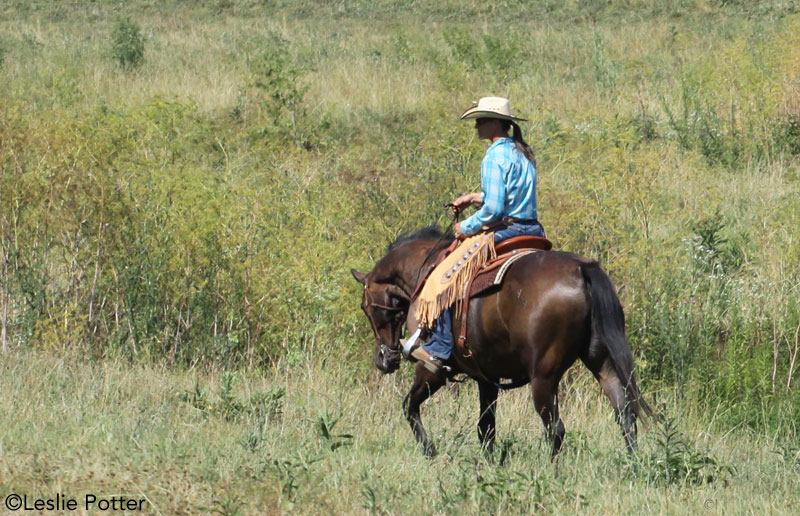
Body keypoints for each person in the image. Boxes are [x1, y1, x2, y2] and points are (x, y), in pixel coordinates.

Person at [411, 97, 546, 371]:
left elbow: (495, 210)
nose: (476, 126)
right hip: (532, 228)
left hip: (504, 230)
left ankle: (438, 348)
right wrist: (475, 196)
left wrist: (465, 227)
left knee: (446, 274)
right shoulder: (522, 152)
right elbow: (510, 196)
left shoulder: (494, 156)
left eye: (481, 120)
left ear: (496, 122)